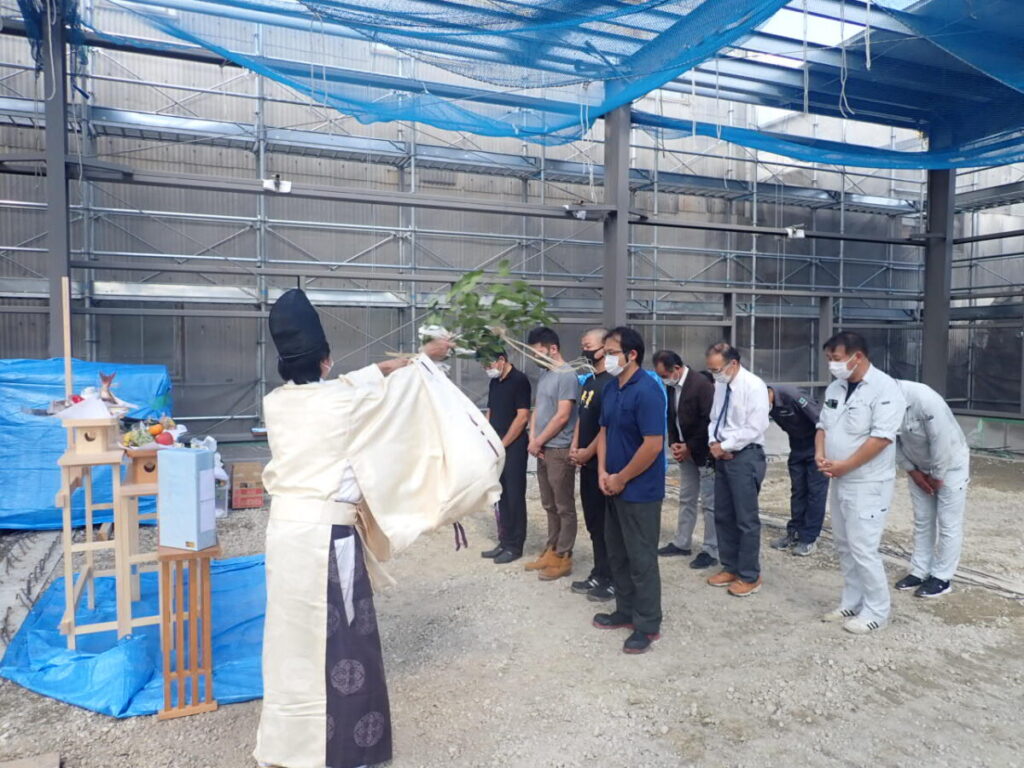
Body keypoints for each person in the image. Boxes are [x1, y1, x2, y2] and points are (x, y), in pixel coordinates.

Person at [256, 290, 502, 768]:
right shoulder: (346, 401)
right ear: (326, 360)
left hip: (285, 535)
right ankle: (344, 752)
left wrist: (395, 365)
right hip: (327, 538)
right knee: (345, 643)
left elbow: (352, 383)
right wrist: (423, 360)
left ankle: (285, 745)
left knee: (290, 642)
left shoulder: (278, 403)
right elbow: (385, 392)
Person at [816, 331, 905, 635]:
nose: (832, 364)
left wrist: (846, 465)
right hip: (838, 477)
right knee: (843, 544)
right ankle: (851, 600)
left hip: (868, 482)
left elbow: (881, 438)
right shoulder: (836, 387)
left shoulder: (885, 388)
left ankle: (877, 611)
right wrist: (820, 455)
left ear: (858, 357)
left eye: (836, 359)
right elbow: (822, 426)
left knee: (864, 547)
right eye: (829, 359)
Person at [592, 327, 666, 654]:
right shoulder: (611, 388)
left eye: (611, 352)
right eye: (605, 352)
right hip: (612, 484)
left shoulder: (647, 391)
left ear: (631, 354)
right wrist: (602, 472)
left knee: (641, 558)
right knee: (617, 551)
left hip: (640, 490)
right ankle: (624, 610)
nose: (605, 358)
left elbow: (653, 445)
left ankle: (647, 624)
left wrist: (622, 478)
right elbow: (604, 432)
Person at [892, 379, 970, 598]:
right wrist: (912, 471)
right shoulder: (879, 401)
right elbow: (887, 440)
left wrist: (937, 476)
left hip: (950, 466)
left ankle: (942, 577)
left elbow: (941, 441)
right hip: (917, 467)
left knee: (948, 523)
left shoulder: (925, 400)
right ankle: (920, 570)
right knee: (923, 520)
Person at [705, 342, 770, 597]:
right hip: (722, 454)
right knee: (723, 513)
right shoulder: (721, 385)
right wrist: (714, 443)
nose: (715, 374)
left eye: (717, 369)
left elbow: (756, 426)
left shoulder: (754, 386)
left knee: (745, 518)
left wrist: (726, 446)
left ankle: (750, 575)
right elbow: (715, 418)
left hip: (745, 456)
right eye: (711, 370)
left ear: (733, 363)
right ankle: (730, 566)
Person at [652, 350, 718, 570]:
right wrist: (674, 443)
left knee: (709, 503)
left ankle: (711, 549)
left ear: (677, 369)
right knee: (686, 497)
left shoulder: (701, 385)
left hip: (703, 453)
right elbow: (671, 416)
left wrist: (690, 446)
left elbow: (708, 422)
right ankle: (682, 542)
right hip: (684, 451)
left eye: (665, 375)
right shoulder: (672, 387)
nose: (664, 379)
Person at [524, 327, 579, 581]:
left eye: (537, 352)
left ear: (552, 348)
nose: (534, 357)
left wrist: (540, 441)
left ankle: (564, 555)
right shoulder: (545, 374)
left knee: (563, 505)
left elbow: (563, 415)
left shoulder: (567, 375)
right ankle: (551, 548)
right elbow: (538, 409)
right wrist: (533, 438)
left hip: (559, 448)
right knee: (548, 503)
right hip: (543, 448)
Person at [569, 328, 615, 600]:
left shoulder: (611, 383)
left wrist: (589, 452)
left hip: (602, 466)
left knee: (608, 525)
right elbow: (582, 418)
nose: (584, 350)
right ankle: (599, 572)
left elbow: (606, 427)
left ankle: (612, 577)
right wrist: (576, 447)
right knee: (594, 523)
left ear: (604, 348)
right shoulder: (590, 382)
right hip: (586, 465)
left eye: (588, 346)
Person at [480, 350, 531, 564]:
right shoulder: (495, 382)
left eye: (488, 364)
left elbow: (522, 417)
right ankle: (504, 539)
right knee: (500, 495)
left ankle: (515, 545)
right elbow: (490, 411)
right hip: (497, 445)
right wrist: (486, 438)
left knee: (514, 495)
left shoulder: (519, 380)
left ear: (501, 360)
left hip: (514, 445)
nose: (487, 369)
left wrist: (503, 444)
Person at [767, 385, 829, 557]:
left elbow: (821, 422)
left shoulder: (793, 396)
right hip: (797, 448)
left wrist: (821, 452)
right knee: (798, 491)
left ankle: (809, 538)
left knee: (815, 493)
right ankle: (794, 533)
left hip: (816, 447)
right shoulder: (769, 405)